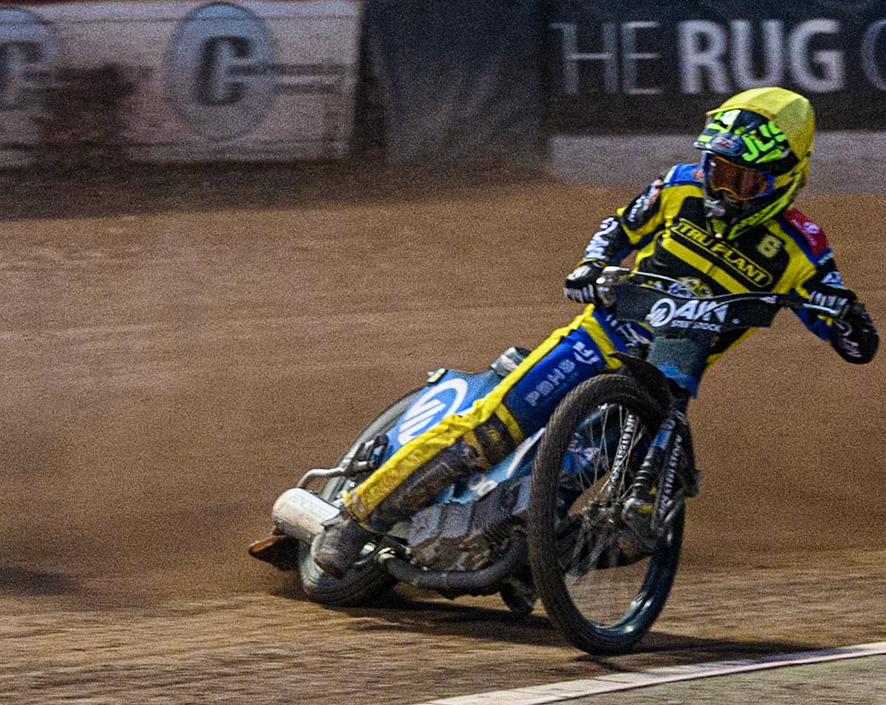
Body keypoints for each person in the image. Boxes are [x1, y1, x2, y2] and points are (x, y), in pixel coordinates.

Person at [310, 87, 877, 578]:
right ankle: (359, 519)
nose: (720, 187)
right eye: (714, 168)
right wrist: (590, 264)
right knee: (488, 431)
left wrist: (844, 314)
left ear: (784, 180)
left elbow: (858, 347)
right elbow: (619, 227)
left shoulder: (803, 249)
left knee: (642, 524)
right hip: (601, 336)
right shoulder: (679, 187)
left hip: (668, 379)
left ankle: (541, 565)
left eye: (740, 179)